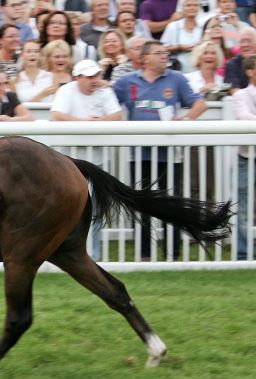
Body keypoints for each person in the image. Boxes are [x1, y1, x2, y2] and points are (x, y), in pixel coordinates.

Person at [114, 40, 208, 260]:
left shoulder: (177, 79)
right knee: (141, 203)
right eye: (159, 53)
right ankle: (144, 254)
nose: (165, 56)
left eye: (166, 52)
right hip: (139, 154)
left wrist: (185, 119)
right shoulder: (126, 82)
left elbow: (200, 104)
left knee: (171, 203)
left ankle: (172, 253)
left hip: (170, 155)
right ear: (145, 58)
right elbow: (109, 102)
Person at [51, 59, 123, 260]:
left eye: (97, 75)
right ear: (78, 78)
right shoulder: (67, 91)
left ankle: (94, 255)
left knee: (96, 209)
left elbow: (117, 115)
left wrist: (101, 122)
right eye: (90, 76)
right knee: (68, 208)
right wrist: (83, 123)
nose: (95, 80)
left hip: (98, 160)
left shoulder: (105, 91)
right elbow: (57, 114)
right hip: (69, 161)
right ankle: (63, 251)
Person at [232, 54, 256, 259]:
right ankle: (243, 252)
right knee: (244, 207)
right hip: (247, 159)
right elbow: (244, 117)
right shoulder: (241, 95)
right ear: (249, 71)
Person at [160, 0, 203, 74]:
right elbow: (161, 49)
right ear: (182, 8)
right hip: (177, 70)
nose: (192, 8)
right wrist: (179, 47)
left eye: (195, 5)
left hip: (198, 71)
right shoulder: (173, 26)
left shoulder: (202, 27)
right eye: (188, 5)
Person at [225, 26, 256, 94]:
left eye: (248, 41)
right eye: (242, 41)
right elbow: (235, 91)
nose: (245, 45)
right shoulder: (232, 64)